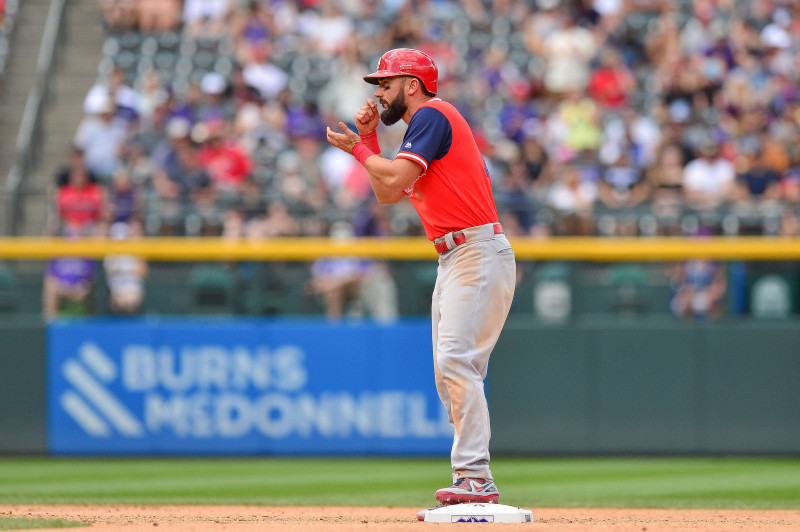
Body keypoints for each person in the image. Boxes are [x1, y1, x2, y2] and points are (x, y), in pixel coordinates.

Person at [326, 48, 516, 509]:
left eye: (385, 84)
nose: (379, 93)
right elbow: (388, 191)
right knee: (448, 370)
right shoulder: (422, 128)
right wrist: (368, 141)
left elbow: (390, 174)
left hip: (474, 249)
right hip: (456, 255)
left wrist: (361, 148)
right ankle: (471, 474)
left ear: (412, 85)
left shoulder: (433, 113)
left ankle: (475, 477)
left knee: (455, 360)